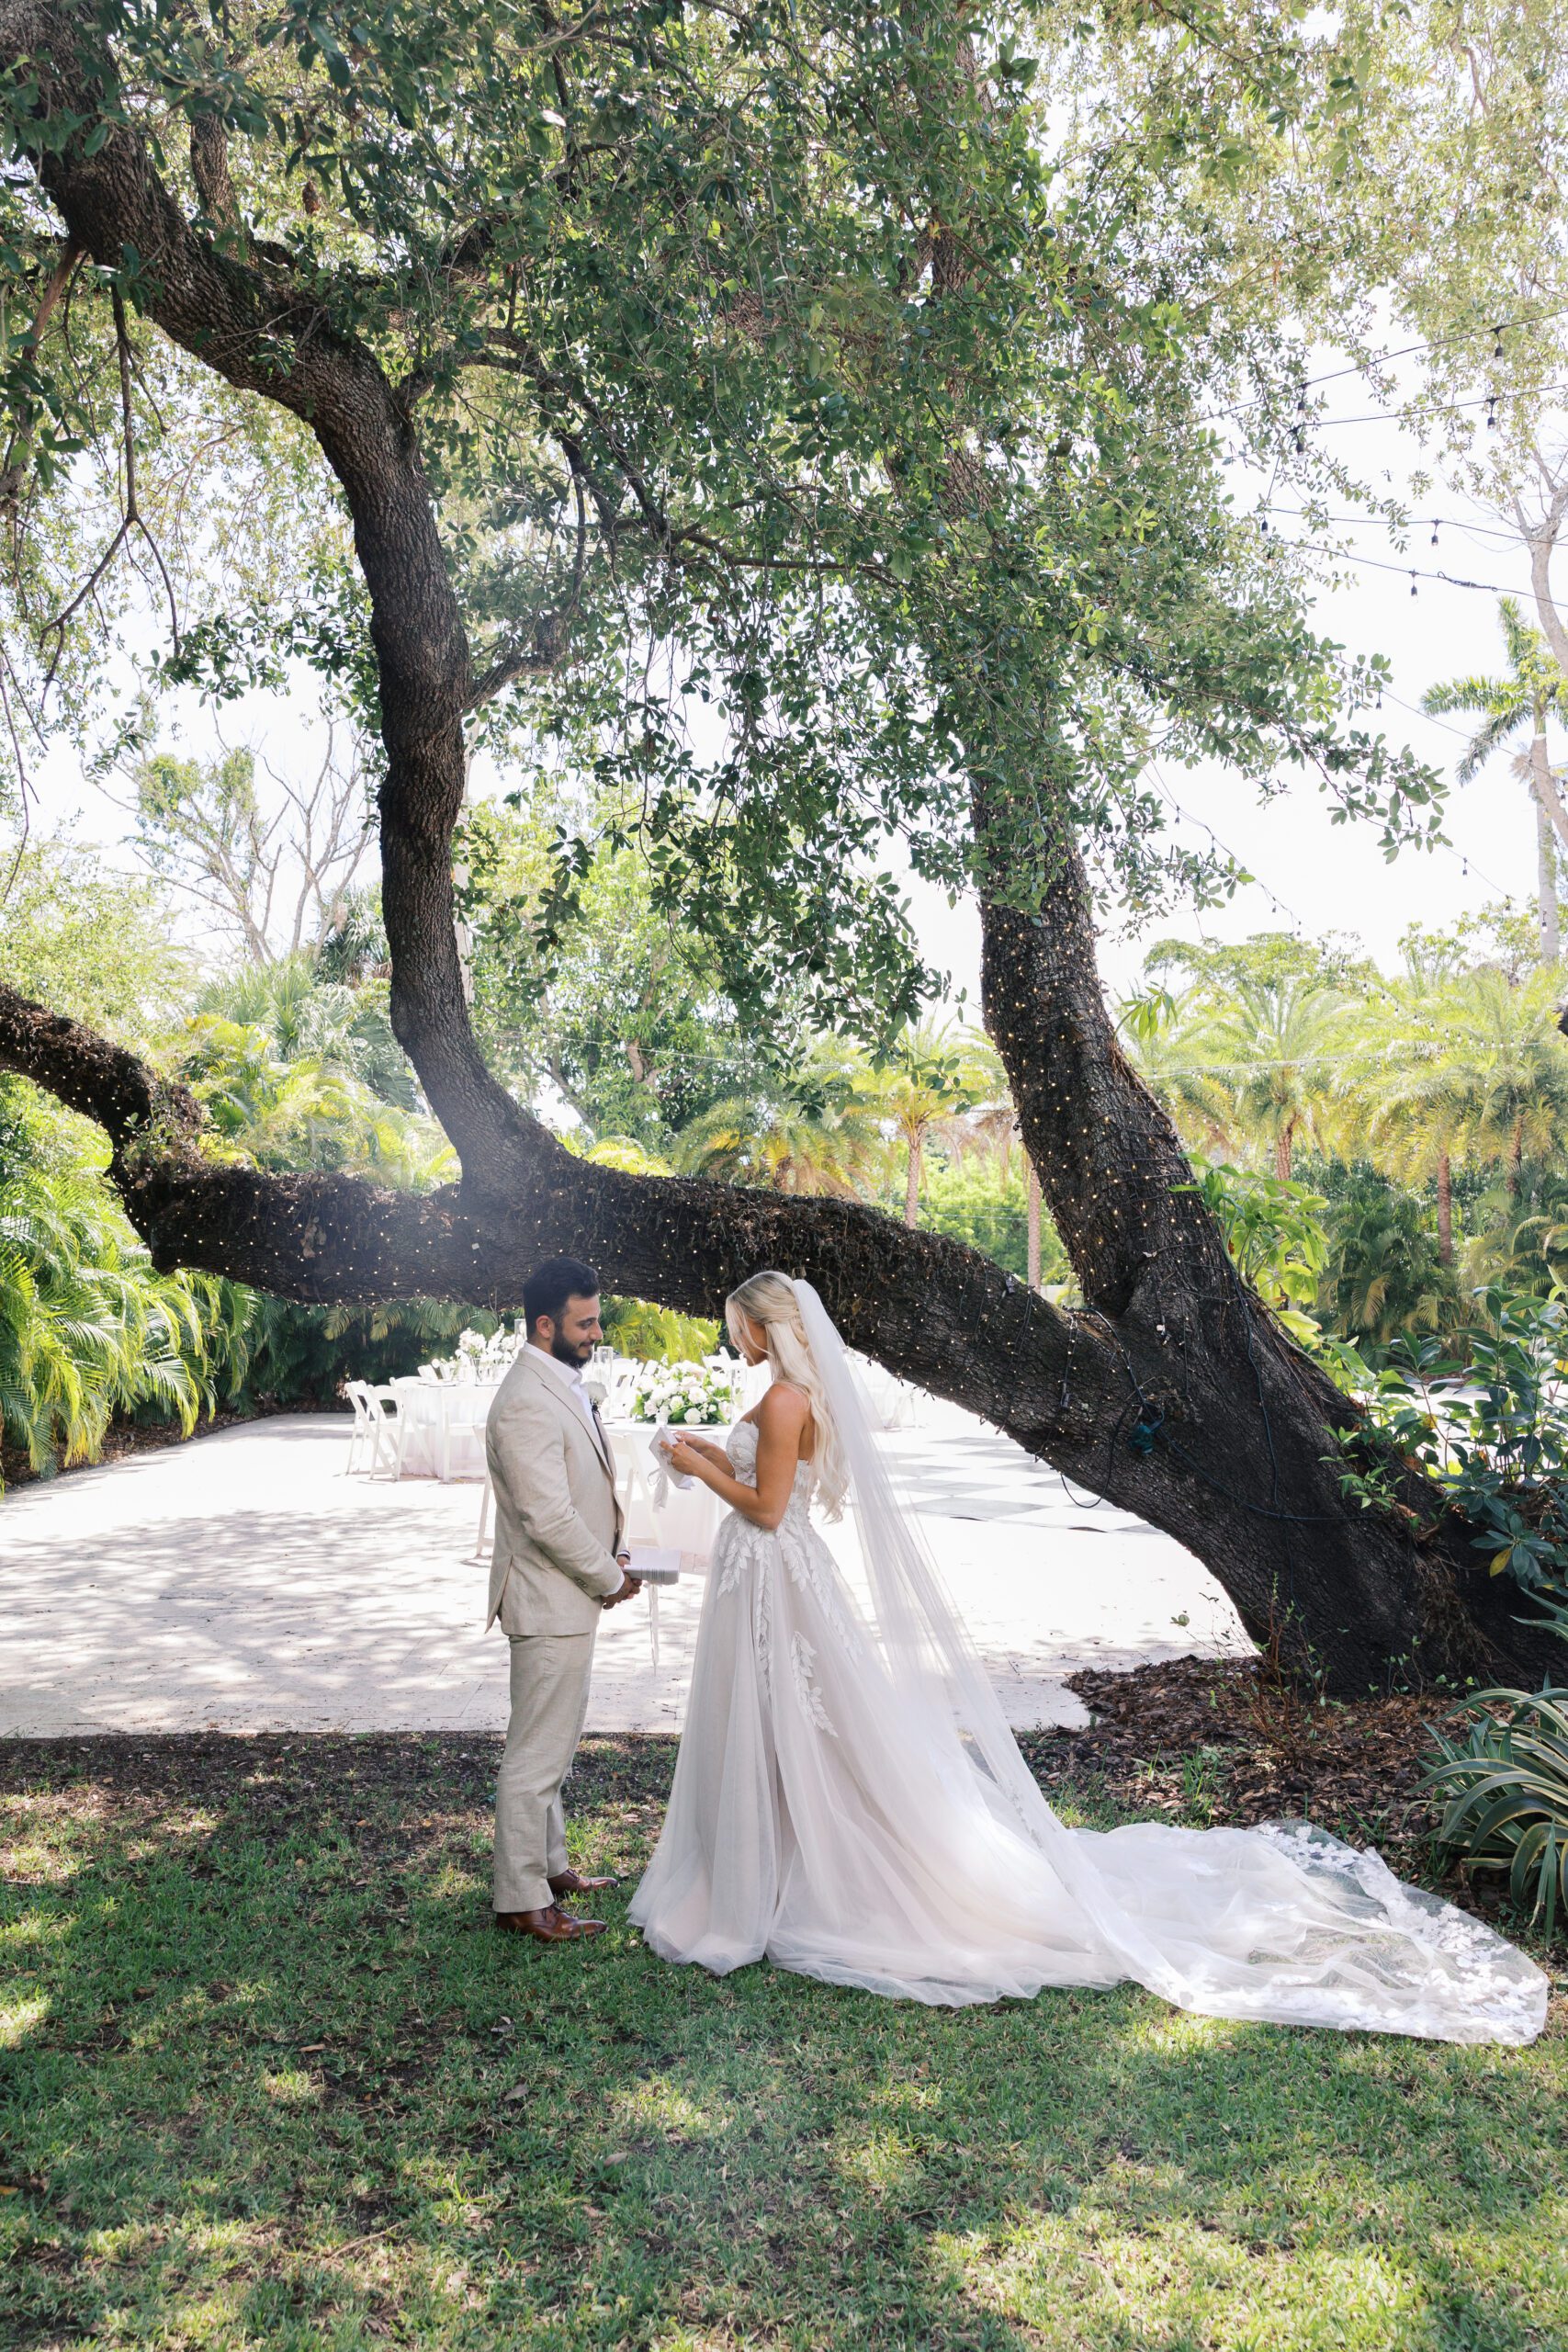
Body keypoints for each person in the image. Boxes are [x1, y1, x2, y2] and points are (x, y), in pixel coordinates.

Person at [628, 1271, 1548, 2043]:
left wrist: (698, 1466)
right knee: (779, 1722)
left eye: (736, 1324)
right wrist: (707, 1450)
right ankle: (767, 1856)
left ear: (762, 1322)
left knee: (804, 1721)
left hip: (773, 1570)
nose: (732, 1336)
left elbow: (766, 1506)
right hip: (763, 1580)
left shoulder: (786, 1397)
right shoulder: (786, 1396)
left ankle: (789, 1871)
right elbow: (758, 1481)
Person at [485, 1257, 641, 1946]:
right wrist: (608, 1578)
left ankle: (548, 1871)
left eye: (596, 1319)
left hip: (566, 1598)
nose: (596, 1332)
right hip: (549, 1602)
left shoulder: (560, 1385)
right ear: (545, 1325)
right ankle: (521, 1899)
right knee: (534, 1757)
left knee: (551, 1746)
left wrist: (617, 1552)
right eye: (585, 1322)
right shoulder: (524, 1399)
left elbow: (580, 1492)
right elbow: (546, 1518)